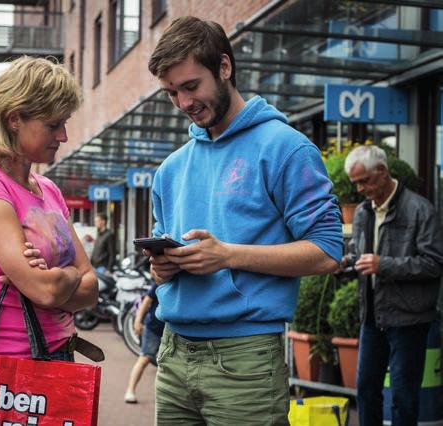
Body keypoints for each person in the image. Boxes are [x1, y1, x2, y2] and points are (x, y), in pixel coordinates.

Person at [145, 16, 343, 425]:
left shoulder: (286, 148)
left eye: (190, 86)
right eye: (171, 93)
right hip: (173, 353)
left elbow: (327, 252)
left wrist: (228, 256)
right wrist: (162, 267)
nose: (183, 103)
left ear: (224, 67)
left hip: (245, 360)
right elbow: (164, 262)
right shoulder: (170, 169)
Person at [0, 56, 98, 361]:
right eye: (53, 125)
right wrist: (72, 274)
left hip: (59, 353)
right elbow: (44, 291)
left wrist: (56, 280)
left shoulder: (49, 190)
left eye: (65, 123)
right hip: (6, 364)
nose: (63, 136)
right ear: (15, 118)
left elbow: (92, 290)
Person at [342, 145, 443, 426]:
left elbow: (435, 264)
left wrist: (382, 264)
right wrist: (341, 264)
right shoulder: (363, 212)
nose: (360, 188)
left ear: (383, 172)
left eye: (365, 180)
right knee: (366, 391)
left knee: (403, 397)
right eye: (356, 183)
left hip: (410, 321)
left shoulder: (421, 210)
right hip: (373, 318)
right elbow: (359, 256)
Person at [124, 281, 165, 404]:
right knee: (144, 359)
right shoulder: (160, 281)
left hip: (171, 330)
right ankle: (130, 390)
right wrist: (137, 320)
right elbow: (146, 301)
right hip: (153, 328)